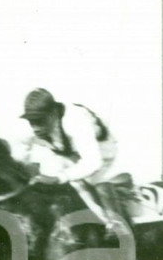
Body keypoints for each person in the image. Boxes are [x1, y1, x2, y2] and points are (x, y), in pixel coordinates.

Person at [17, 88, 133, 232]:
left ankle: (116, 226)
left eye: (40, 120)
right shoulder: (33, 129)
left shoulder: (75, 120)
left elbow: (93, 161)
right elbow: (19, 150)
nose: (36, 127)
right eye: (31, 121)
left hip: (102, 154)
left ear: (53, 113)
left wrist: (59, 178)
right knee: (49, 174)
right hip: (71, 154)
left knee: (95, 181)